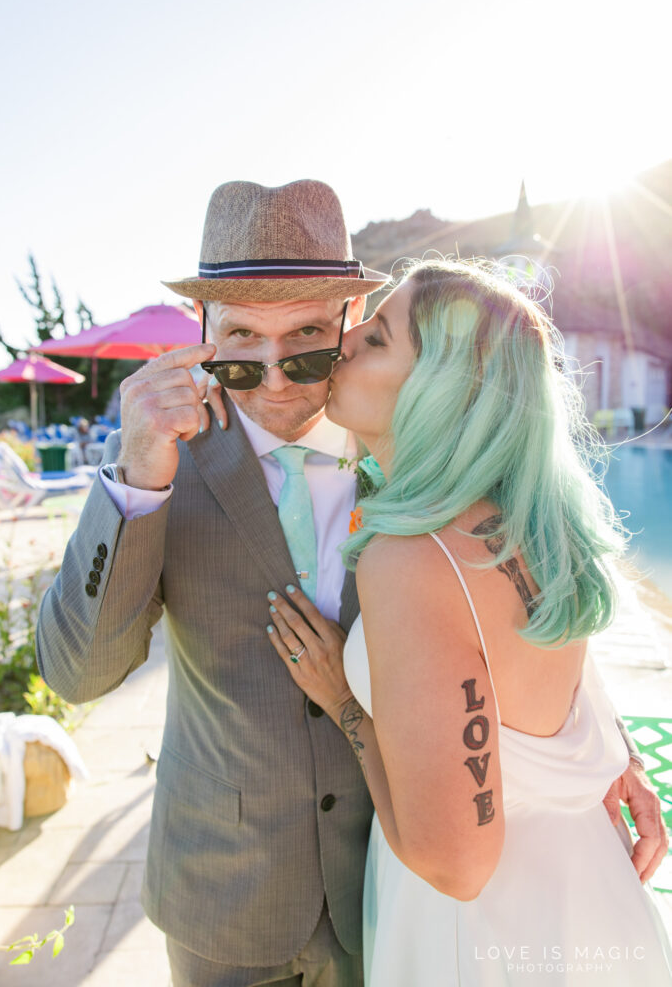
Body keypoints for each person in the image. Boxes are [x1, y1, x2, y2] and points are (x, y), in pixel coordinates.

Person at [36, 184, 666, 987]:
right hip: (225, 901)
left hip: (394, 883)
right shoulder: (167, 462)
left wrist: (604, 751)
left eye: (304, 341)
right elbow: (76, 674)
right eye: (238, 347)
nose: (272, 381)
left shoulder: (426, 460)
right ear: (202, 334)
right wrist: (132, 482)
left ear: (351, 318)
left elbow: (515, 610)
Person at [265, 258, 672, 985]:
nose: (348, 338)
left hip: (487, 942)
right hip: (591, 898)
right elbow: (539, 670)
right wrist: (619, 757)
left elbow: (456, 865)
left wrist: (345, 707)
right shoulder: (538, 531)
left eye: (380, 336)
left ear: (440, 390)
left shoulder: (412, 559)